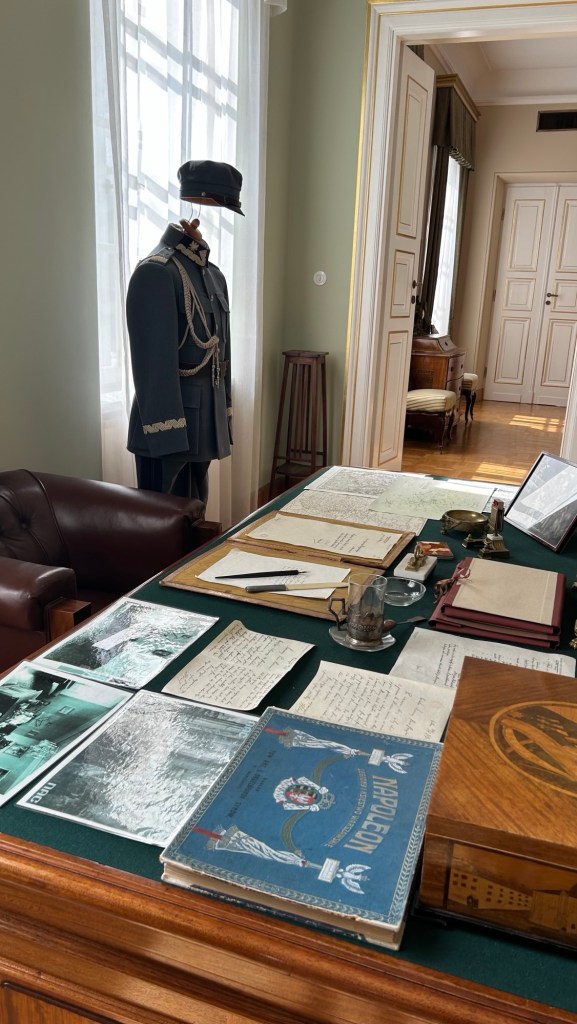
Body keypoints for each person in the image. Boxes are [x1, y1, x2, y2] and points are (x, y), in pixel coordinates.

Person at [126, 159, 243, 502]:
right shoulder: (156, 272)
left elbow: (221, 355)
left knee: (195, 517)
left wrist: (223, 415)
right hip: (168, 427)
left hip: (203, 421)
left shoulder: (212, 275)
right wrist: (168, 436)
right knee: (161, 522)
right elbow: (153, 368)